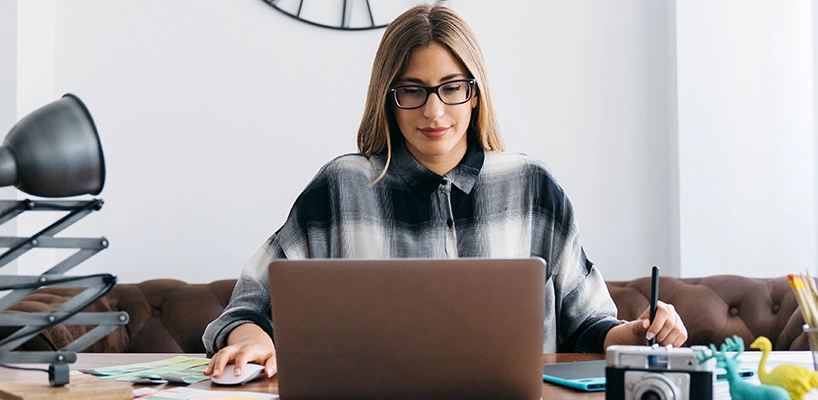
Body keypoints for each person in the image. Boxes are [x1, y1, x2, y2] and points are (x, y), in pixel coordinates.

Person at [201, 3, 687, 381]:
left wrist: (637, 333)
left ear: (476, 94)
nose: (434, 112)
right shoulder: (341, 187)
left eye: (452, 87)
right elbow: (247, 308)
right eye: (412, 90)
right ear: (388, 99)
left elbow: (587, 325)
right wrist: (251, 338)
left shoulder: (533, 189)